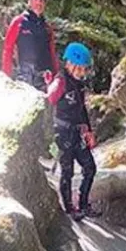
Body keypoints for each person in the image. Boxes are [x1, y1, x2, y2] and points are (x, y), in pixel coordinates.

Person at [46, 42, 99, 219]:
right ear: (70, 64)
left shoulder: (79, 84)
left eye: (84, 69)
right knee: (67, 172)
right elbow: (48, 103)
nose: (82, 73)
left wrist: (88, 132)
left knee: (90, 168)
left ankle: (83, 203)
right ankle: (70, 209)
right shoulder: (60, 81)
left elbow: (82, 109)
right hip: (62, 133)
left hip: (77, 133)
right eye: (80, 69)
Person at [1, 0, 60, 90]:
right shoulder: (19, 22)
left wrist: (57, 76)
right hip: (26, 75)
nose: (39, 3)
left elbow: (52, 53)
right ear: (29, 0)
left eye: (42, 0)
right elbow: (7, 50)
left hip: (45, 76)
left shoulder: (47, 27)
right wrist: (6, 76)